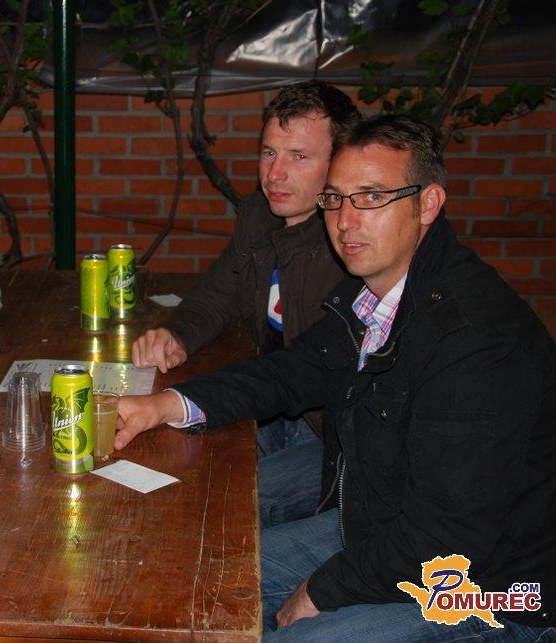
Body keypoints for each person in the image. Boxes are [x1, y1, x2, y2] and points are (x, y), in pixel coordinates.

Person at [114, 115, 556, 639]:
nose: (345, 221)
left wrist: (325, 589)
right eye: (335, 199)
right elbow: (290, 372)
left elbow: (448, 537)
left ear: (428, 204)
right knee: (194, 576)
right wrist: (167, 404)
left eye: (371, 197)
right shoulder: (373, 297)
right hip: (384, 532)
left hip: (491, 587)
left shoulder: (475, 340)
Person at [134, 81, 360, 527]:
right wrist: (178, 333)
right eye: (269, 152)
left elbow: (310, 370)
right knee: (167, 468)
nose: (275, 174)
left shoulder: (352, 241)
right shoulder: (259, 214)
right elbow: (219, 293)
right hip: (273, 407)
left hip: (337, 438)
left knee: (219, 507)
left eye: (299, 156)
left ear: (341, 164)